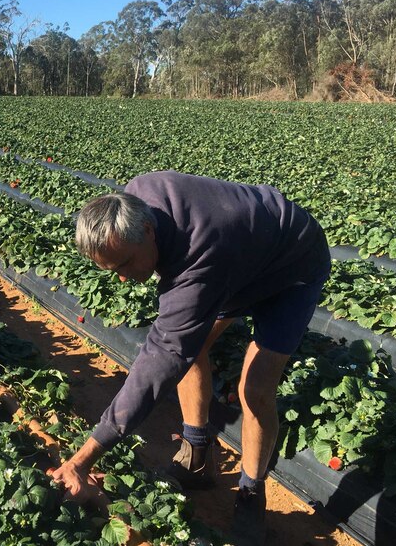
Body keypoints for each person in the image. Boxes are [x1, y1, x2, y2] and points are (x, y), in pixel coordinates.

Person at [51, 170, 331, 545]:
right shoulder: (134, 203)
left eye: (125, 265)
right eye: (111, 268)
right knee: (191, 346)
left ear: (148, 232)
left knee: (255, 388)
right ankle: (197, 456)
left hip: (292, 265)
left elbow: (164, 356)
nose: (121, 278)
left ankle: (250, 494)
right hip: (239, 256)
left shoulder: (199, 258)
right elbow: (177, 345)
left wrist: (85, 456)